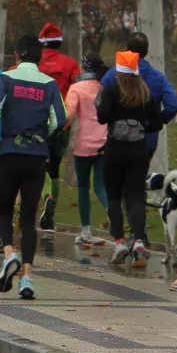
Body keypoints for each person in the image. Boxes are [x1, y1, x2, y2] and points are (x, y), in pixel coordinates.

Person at [0, 33, 67, 298]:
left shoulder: (6, 79)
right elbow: (59, 119)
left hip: (8, 152)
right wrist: (44, 138)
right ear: (40, 57)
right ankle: (27, 279)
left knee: (5, 210)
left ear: (17, 55)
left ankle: (9, 255)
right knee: (29, 219)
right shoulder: (50, 83)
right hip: (36, 155)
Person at [97, 50, 164, 268]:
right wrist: (142, 126)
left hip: (114, 149)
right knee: (136, 196)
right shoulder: (145, 92)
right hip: (138, 150)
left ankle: (119, 241)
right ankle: (138, 240)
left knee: (114, 196)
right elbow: (157, 123)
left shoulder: (111, 89)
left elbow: (101, 117)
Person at [96, 32, 177, 165]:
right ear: (146, 51)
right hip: (147, 138)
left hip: (118, 137)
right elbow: (173, 104)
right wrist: (159, 119)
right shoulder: (158, 77)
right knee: (138, 180)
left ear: (127, 49)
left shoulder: (112, 75)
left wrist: (109, 118)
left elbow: (99, 102)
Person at [34, 22, 80, 233]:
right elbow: (77, 88)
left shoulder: (34, 62)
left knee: (36, 165)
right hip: (62, 124)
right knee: (54, 169)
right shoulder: (71, 64)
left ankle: (43, 199)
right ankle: (50, 215)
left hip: (36, 121)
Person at [63, 54, 109, 246]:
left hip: (83, 144)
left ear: (84, 68)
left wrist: (59, 129)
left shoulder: (76, 88)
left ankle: (86, 230)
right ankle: (117, 219)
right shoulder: (105, 87)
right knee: (101, 185)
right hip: (105, 142)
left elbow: (69, 115)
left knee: (83, 186)